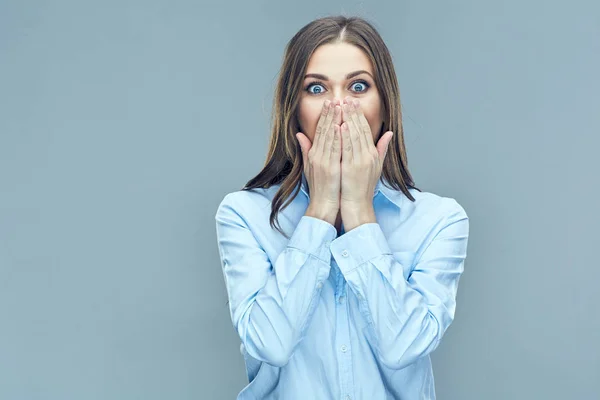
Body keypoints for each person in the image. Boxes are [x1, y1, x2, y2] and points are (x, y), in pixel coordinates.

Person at [214, 15, 469, 400]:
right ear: (294, 107)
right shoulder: (243, 215)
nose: (338, 106)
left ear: (385, 104)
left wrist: (358, 211)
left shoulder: (440, 220)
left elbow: (404, 346)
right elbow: (271, 344)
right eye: (316, 88)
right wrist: (319, 210)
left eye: (358, 86)